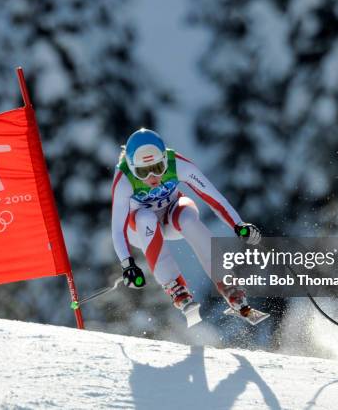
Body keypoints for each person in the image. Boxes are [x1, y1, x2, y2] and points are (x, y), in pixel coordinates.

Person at [111, 128, 262, 319]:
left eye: (158, 168)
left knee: (188, 216)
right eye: (142, 172)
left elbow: (213, 197)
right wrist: (128, 264)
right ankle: (175, 286)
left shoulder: (178, 164)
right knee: (145, 217)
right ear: (132, 168)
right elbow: (117, 229)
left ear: (165, 159)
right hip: (141, 230)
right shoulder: (124, 180)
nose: (152, 178)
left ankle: (228, 283)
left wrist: (238, 225)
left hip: (172, 218)